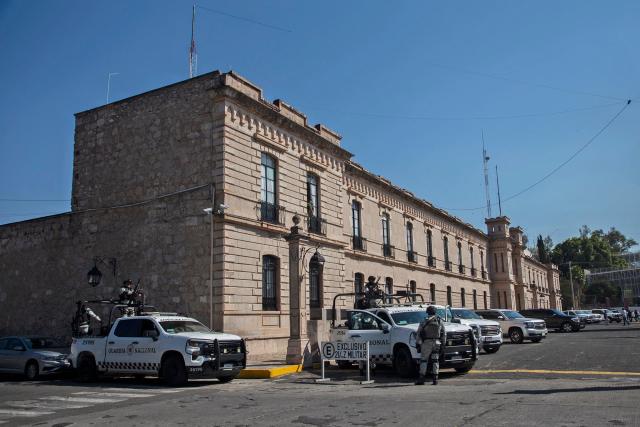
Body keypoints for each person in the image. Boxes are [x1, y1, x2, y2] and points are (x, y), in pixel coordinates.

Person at [415, 305, 446, 385]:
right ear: (435, 312)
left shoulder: (424, 320)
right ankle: (435, 379)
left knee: (424, 360)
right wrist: (443, 344)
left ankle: (421, 379)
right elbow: (444, 334)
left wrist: (418, 343)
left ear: (427, 312)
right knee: (435, 360)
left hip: (426, 343)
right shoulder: (439, 320)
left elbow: (418, 333)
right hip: (437, 342)